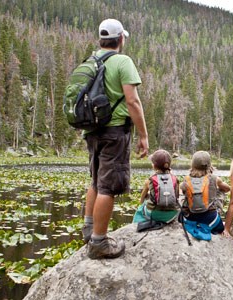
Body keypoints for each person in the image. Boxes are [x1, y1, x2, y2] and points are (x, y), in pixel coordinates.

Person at [81, 18, 149, 259]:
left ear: (101, 40)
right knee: (108, 187)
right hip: (115, 131)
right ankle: (99, 242)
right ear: (121, 39)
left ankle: (89, 230)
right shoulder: (123, 62)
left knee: (96, 181)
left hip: (92, 130)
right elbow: (132, 101)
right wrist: (143, 135)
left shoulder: (91, 60)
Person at [179, 151, 230, 236]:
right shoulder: (215, 178)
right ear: (209, 165)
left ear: (193, 164)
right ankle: (213, 220)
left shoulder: (186, 180)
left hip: (190, 218)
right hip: (211, 219)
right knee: (220, 191)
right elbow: (227, 189)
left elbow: (181, 191)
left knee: (184, 194)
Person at [132, 149, 180, 225]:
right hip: (172, 214)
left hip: (154, 214)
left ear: (154, 166)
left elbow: (141, 199)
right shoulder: (175, 179)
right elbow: (176, 196)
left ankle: (136, 224)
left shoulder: (150, 180)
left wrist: (142, 203)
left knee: (142, 207)